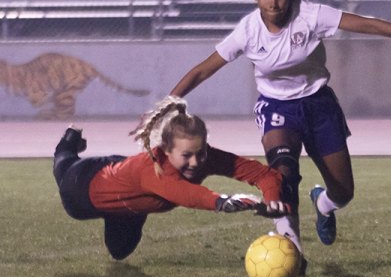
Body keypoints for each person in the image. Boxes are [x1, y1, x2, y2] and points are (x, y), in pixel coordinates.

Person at [169, 0, 391, 269]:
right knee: (283, 172)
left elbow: (368, 25)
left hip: (319, 105)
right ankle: (293, 252)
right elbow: (202, 70)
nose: (274, 3)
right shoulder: (247, 31)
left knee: (344, 191)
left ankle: (323, 203)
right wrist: (168, 104)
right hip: (276, 107)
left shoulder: (311, 15)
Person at [52, 96, 290, 260]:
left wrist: (272, 198)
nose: (196, 163)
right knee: (63, 164)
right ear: (166, 150)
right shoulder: (154, 168)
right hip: (82, 186)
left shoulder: (203, 158)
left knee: (119, 251)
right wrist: (222, 202)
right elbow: (187, 194)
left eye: (201, 152)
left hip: (127, 199)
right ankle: (69, 140)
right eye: (186, 155)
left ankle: (129, 208)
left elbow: (262, 174)